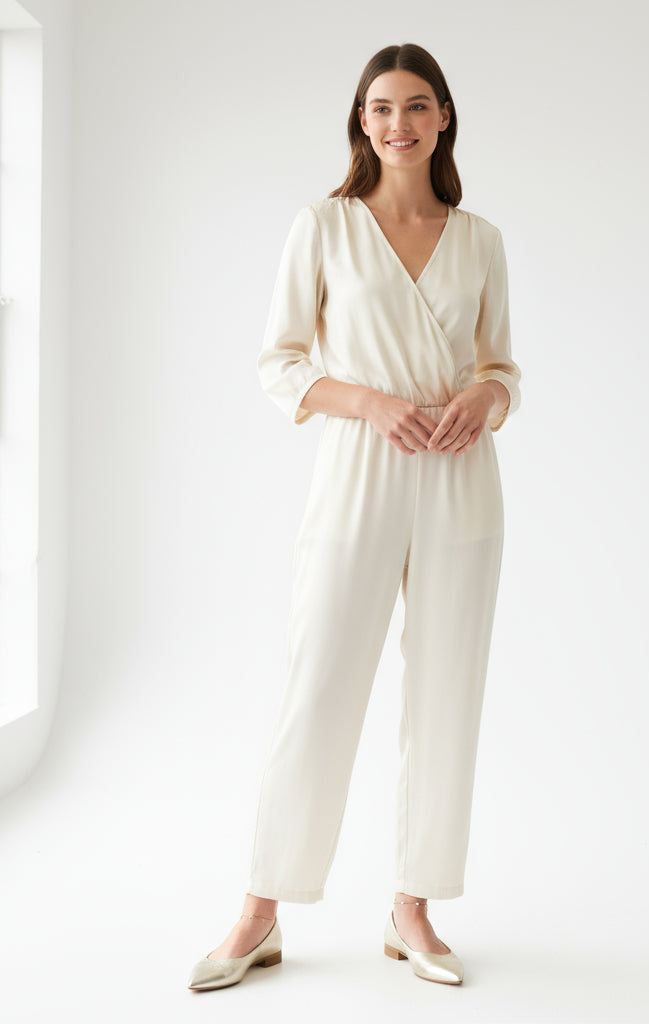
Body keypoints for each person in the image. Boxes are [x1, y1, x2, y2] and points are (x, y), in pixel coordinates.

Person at [188, 41, 521, 991]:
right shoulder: (324, 225)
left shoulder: (481, 237)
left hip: (463, 477)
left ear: (444, 117)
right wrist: (372, 403)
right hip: (360, 469)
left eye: (417, 106)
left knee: (447, 689)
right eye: (380, 108)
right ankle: (260, 911)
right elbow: (280, 361)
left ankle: (413, 910)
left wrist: (483, 401)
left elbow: (504, 366)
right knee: (320, 680)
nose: (399, 123)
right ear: (361, 121)